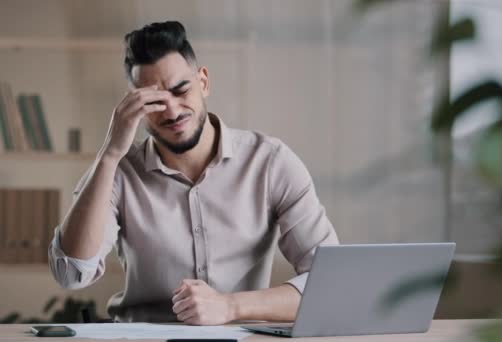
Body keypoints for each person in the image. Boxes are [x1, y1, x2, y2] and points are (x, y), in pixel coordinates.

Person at [48, 21, 339, 325]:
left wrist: (230, 307)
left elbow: (330, 284)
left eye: (180, 90)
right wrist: (109, 154)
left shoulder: (271, 162)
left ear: (203, 82)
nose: (171, 112)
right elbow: (71, 274)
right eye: (154, 101)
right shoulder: (119, 172)